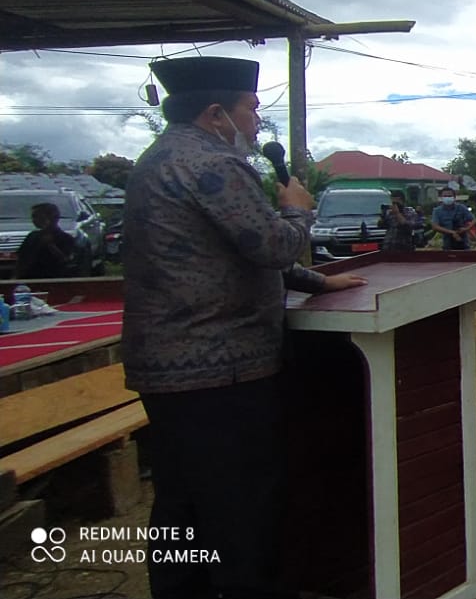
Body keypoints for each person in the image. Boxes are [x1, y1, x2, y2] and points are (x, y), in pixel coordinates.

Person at [122, 56, 367, 599]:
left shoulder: (159, 157)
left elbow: (225, 251)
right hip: (220, 366)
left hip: (168, 367)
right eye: (251, 110)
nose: (257, 124)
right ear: (216, 113)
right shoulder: (212, 164)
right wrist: (299, 210)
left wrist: (315, 282)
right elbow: (270, 243)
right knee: (241, 503)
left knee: (180, 500)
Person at [13, 202, 78, 279]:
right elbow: (21, 259)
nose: (34, 220)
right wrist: (15, 277)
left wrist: (51, 245)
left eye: (37, 216)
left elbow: (66, 261)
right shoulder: (32, 236)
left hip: (54, 278)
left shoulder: (66, 238)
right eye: (33, 217)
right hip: (29, 278)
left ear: (52, 218)